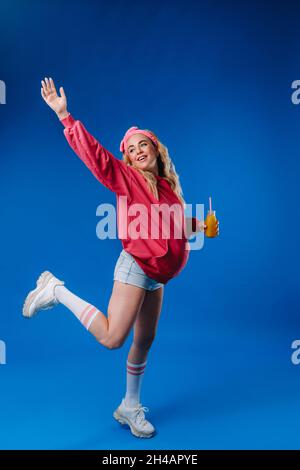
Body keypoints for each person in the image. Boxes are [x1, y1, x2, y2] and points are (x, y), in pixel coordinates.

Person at [22, 77, 219, 439]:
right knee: (114, 338)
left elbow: (176, 223)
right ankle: (56, 290)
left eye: (145, 144)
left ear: (157, 150)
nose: (139, 149)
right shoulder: (128, 178)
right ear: (127, 157)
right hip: (136, 267)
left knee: (144, 341)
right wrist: (66, 118)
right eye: (132, 148)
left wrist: (201, 226)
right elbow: (97, 158)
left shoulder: (167, 188)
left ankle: (129, 406)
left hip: (158, 276)